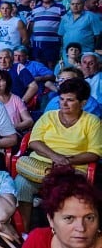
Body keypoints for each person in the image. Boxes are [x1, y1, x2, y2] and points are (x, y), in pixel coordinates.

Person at [14, 77, 102, 230]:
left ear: (83, 103)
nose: (64, 103)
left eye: (70, 100)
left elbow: (94, 153)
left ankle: (61, 231)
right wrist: (55, 157)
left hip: (73, 169)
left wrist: (66, 161)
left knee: (64, 187)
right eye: (61, 99)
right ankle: (24, 232)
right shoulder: (49, 116)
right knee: (21, 183)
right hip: (38, 166)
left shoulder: (92, 122)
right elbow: (34, 142)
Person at [0, 69, 34, 134]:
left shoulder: (16, 99)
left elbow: (29, 121)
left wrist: (13, 127)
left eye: (1, 80)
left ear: (7, 83)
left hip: (13, 134)